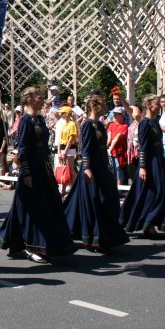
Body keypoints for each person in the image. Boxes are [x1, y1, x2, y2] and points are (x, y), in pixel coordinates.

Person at [0, 87, 76, 263]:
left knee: (48, 204)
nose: (43, 100)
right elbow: (23, 148)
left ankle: (45, 241)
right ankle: (32, 245)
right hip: (31, 170)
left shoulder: (39, 119)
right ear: (30, 99)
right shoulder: (25, 121)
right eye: (39, 97)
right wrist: (26, 172)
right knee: (33, 208)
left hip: (44, 169)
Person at [64, 95, 130, 252]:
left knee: (108, 199)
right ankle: (93, 237)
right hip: (92, 169)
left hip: (102, 167)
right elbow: (84, 149)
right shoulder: (87, 125)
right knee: (94, 201)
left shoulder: (100, 125)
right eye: (102, 103)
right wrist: (86, 168)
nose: (105, 106)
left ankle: (101, 235)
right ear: (94, 106)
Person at [119, 94, 165, 236]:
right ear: (149, 106)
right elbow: (143, 146)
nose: (159, 106)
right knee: (155, 192)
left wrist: (163, 162)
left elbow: (159, 144)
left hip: (158, 160)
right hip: (149, 162)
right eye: (157, 104)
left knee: (158, 193)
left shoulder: (156, 121)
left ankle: (150, 223)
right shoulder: (144, 123)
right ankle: (147, 222)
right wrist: (143, 166)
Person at [57, 106, 78, 195]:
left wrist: (65, 152)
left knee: (70, 169)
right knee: (64, 169)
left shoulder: (72, 124)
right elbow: (59, 139)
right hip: (63, 148)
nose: (61, 114)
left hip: (69, 148)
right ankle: (63, 189)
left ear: (67, 114)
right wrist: (59, 152)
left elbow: (70, 139)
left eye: (62, 113)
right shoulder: (64, 124)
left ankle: (74, 189)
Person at [107, 107, 129, 186]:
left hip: (119, 151)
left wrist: (110, 148)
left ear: (122, 115)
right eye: (114, 114)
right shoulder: (111, 125)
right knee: (111, 169)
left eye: (116, 114)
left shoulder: (125, 126)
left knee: (118, 169)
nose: (114, 115)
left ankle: (119, 189)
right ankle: (112, 187)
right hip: (111, 150)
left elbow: (118, 137)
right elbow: (109, 137)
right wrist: (107, 146)